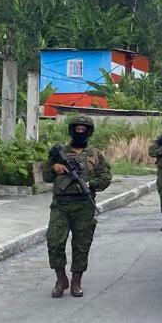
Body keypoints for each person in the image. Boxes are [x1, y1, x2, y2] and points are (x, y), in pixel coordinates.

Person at [43, 115, 112, 298]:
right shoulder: (60, 152)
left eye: (83, 129)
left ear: (89, 132)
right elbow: (46, 176)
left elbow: (106, 178)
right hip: (61, 205)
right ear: (71, 130)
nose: (79, 131)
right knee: (54, 241)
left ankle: (76, 281)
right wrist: (54, 168)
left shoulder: (95, 154)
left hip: (84, 205)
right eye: (77, 128)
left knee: (81, 244)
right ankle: (60, 278)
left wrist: (91, 185)